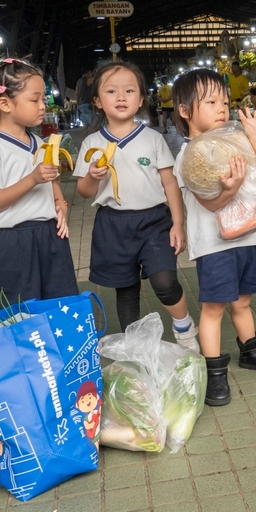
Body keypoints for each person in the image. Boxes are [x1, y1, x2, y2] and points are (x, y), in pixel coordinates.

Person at [172, 69, 256, 406]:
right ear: (184, 110)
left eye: (224, 100)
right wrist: (230, 190)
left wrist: (254, 136)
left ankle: (251, 349)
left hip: (246, 237)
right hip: (213, 244)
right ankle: (214, 372)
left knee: (243, 300)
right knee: (214, 307)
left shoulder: (232, 140)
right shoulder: (190, 153)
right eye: (210, 102)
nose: (221, 107)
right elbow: (209, 202)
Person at [73, 61, 197, 351]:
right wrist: (92, 176)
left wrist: (178, 224)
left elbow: (170, 184)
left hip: (154, 222)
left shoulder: (153, 138)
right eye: (111, 91)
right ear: (97, 101)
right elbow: (83, 191)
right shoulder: (92, 142)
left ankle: (184, 327)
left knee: (165, 282)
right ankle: (135, 348)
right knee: (125, 289)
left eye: (129, 90)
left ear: (141, 99)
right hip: (112, 224)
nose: (121, 97)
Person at [0, 59, 78, 308]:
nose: (43, 107)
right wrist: (32, 179)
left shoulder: (40, 143)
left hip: (50, 236)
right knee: (18, 315)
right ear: (5, 103)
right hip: (11, 242)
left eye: (43, 99)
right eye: (35, 100)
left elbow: (52, 183)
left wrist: (61, 206)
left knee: (60, 306)